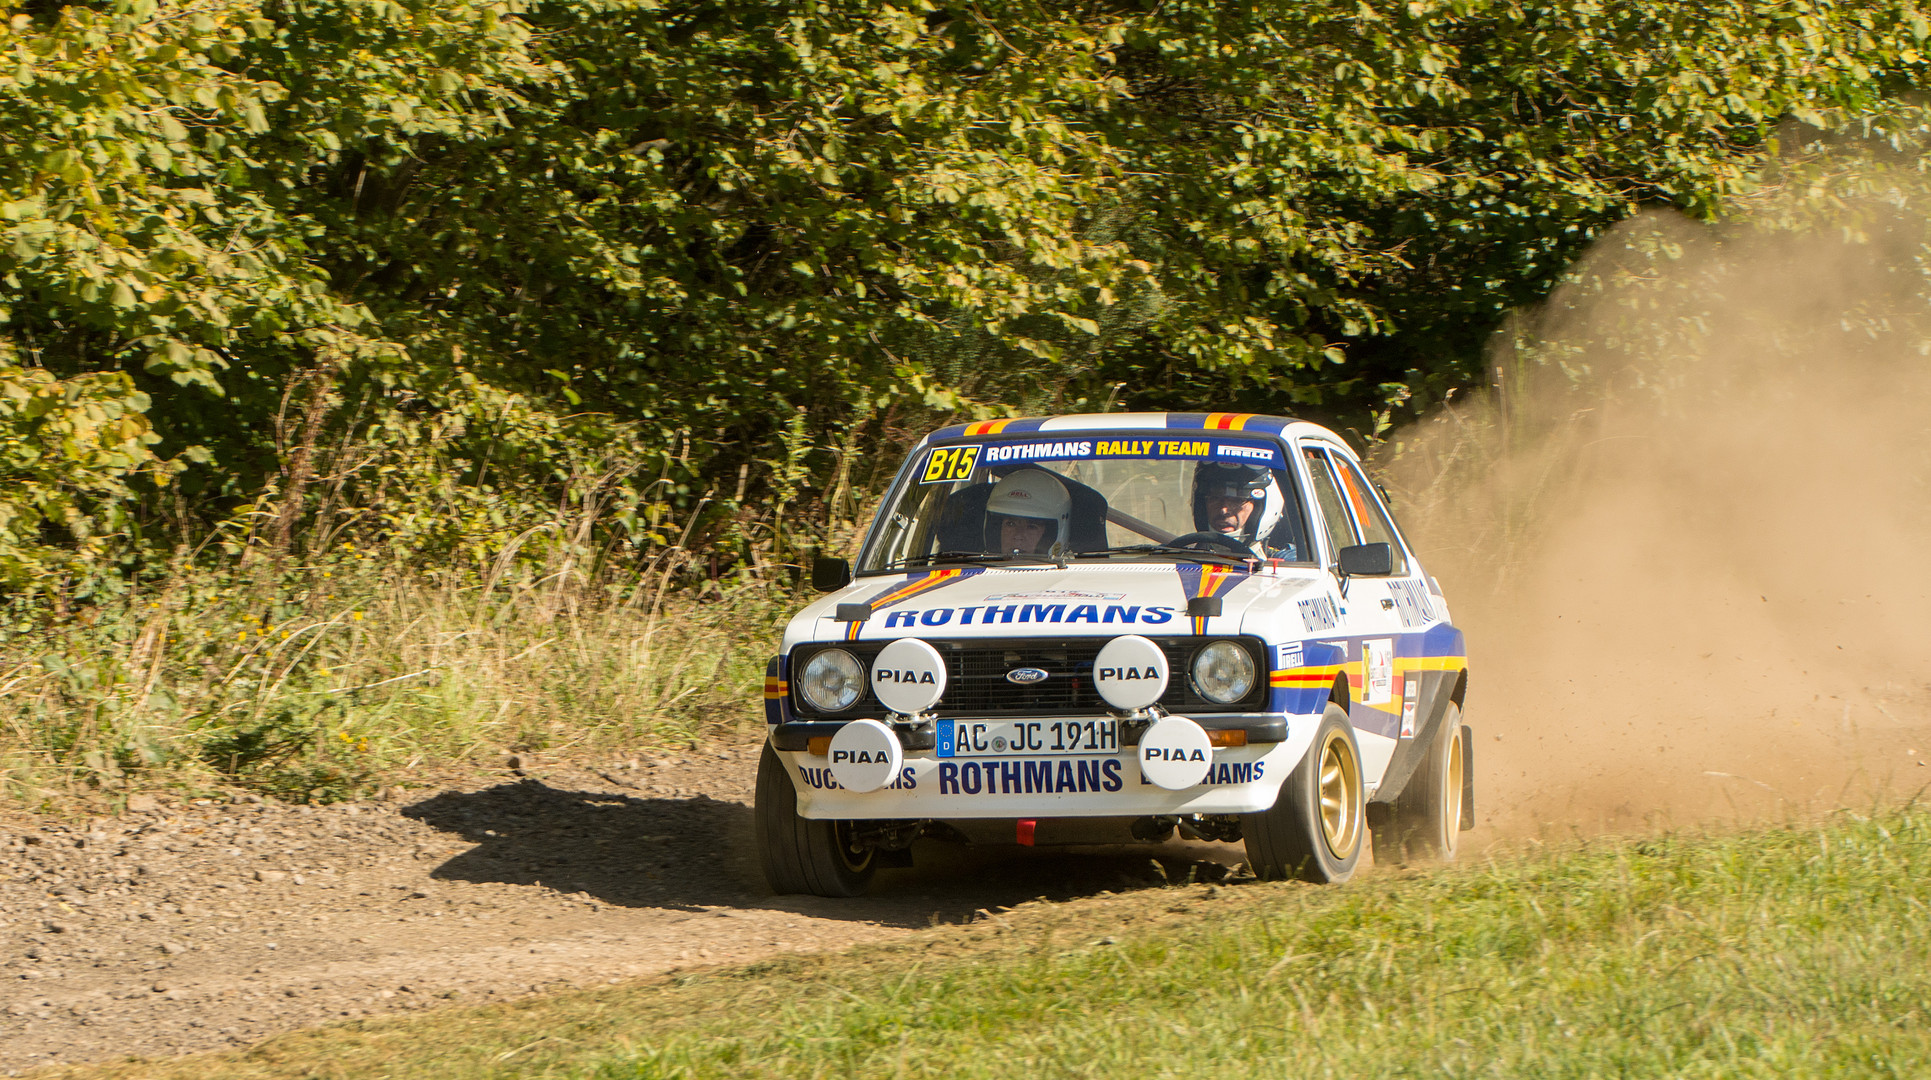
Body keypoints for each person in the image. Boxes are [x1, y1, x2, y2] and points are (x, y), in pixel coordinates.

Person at [1191, 461, 1296, 559]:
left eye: (1237, 500)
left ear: (1260, 507)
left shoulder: (1286, 564)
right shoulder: (1178, 556)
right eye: (1215, 498)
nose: (1224, 510)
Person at [983, 470, 1070, 555]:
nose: (1018, 536)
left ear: (1049, 534)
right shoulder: (975, 568)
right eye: (1011, 524)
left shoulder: (1077, 569)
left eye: (1031, 527)